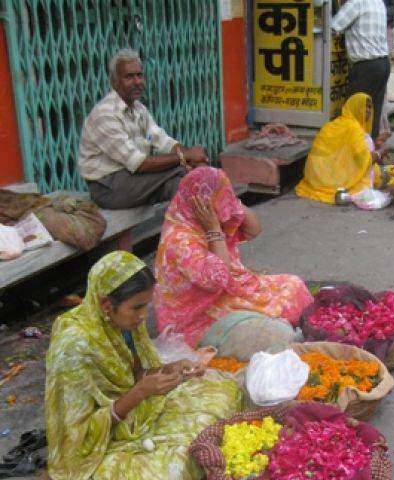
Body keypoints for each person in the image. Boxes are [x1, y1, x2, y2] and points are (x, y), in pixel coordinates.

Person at [45, 251, 241, 480]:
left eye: (146, 305)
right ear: (106, 305)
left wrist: (172, 369)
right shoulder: (74, 346)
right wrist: (140, 393)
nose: (143, 316)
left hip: (136, 412)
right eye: (137, 307)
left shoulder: (123, 325)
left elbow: (137, 374)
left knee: (224, 389)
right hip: (95, 445)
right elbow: (75, 436)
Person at [154, 167, 313, 346]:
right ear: (200, 204)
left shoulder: (206, 219)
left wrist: (230, 201)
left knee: (294, 285)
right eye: (221, 198)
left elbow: (253, 229)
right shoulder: (179, 239)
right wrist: (213, 230)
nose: (225, 206)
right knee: (275, 330)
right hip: (198, 318)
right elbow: (218, 278)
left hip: (227, 292)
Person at [78, 49, 208, 210]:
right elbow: (138, 163)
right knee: (180, 169)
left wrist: (194, 158)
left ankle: (190, 232)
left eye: (140, 75)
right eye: (129, 77)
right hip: (108, 186)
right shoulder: (105, 115)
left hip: (133, 178)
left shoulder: (139, 109)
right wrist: (186, 156)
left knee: (179, 184)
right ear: (114, 82)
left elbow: (163, 141)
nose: (137, 81)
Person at [295, 93, 384, 204]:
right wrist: (379, 153)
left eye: (370, 107)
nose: (368, 110)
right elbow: (364, 160)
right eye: (365, 106)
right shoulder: (354, 128)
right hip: (338, 179)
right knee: (373, 169)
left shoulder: (332, 124)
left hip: (316, 179)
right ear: (355, 107)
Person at [331, 0, 390, 140]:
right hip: (383, 63)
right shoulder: (378, 2)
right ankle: (369, 154)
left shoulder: (356, 3)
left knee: (353, 114)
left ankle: (354, 155)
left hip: (366, 67)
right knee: (372, 116)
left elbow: (332, 28)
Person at [379, 0, 394, 138]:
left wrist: (376, 13)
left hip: (383, 30)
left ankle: (382, 128)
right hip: (373, 30)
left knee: (379, 81)